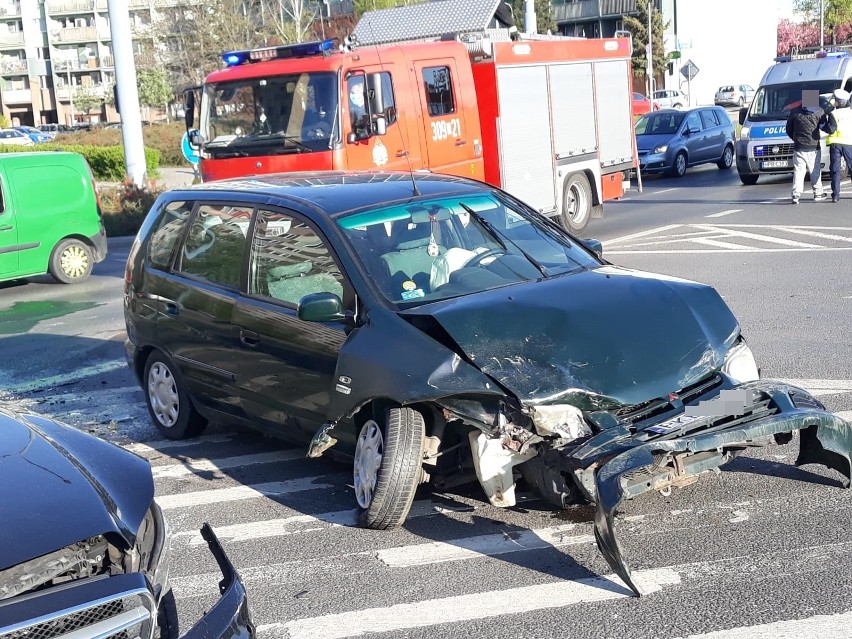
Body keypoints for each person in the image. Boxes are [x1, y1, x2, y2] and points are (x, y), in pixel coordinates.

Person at [785, 89, 829, 204]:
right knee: (815, 170)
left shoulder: (794, 112)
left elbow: (788, 129)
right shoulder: (819, 112)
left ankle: (796, 194)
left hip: (799, 146)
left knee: (799, 171)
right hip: (814, 146)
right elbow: (824, 127)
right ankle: (818, 193)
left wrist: (795, 139)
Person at [825, 88, 852, 203]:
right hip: (849, 143)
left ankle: (836, 195)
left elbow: (831, 129)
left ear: (837, 102)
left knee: (835, 170)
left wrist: (822, 126)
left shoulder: (833, 114)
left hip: (836, 144)